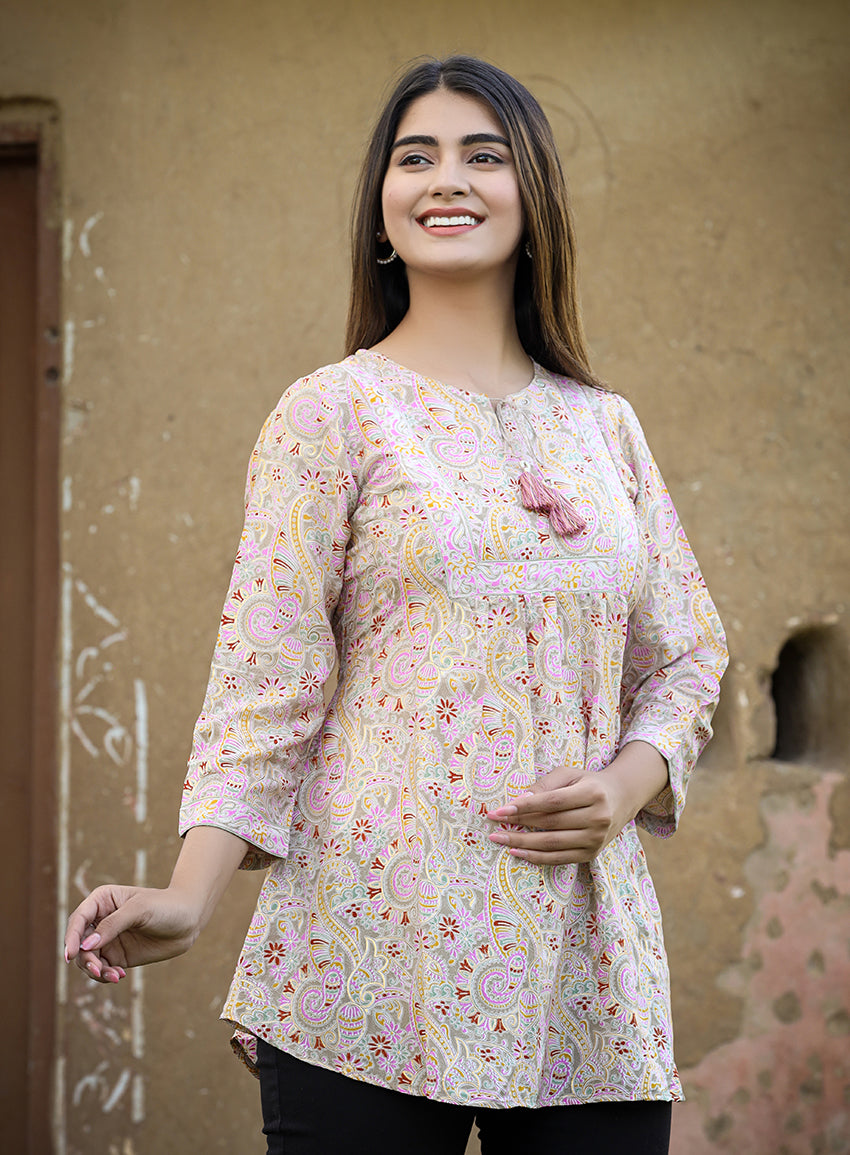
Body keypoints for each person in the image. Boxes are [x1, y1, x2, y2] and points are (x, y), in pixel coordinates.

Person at [65, 55, 728, 1155]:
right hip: (365, 956)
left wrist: (626, 782)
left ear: (534, 199)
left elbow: (687, 656)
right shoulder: (332, 415)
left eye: (482, 154)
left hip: (585, 974)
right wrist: (187, 898)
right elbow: (265, 681)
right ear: (382, 206)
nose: (443, 178)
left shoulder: (605, 426)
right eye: (413, 157)